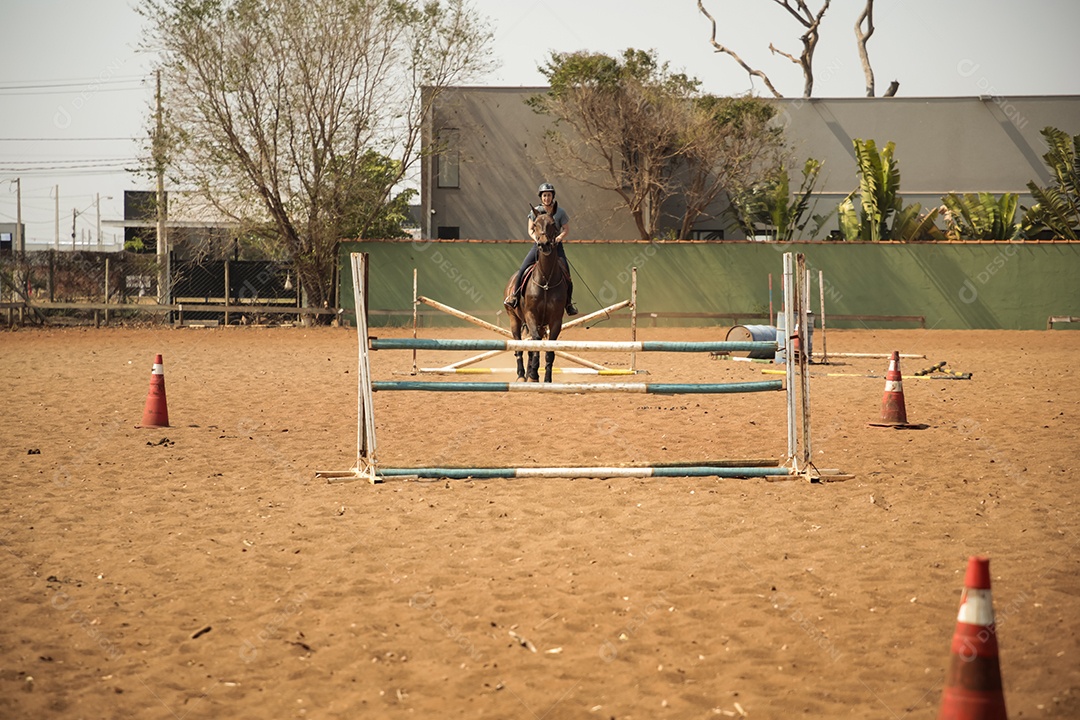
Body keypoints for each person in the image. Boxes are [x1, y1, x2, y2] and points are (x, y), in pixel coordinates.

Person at [504, 182, 578, 316]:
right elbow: (530, 230)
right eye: (544, 195)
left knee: (567, 274)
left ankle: (568, 304)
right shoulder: (534, 212)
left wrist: (559, 237)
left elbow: (566, 229)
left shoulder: (559, 212)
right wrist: (538, 240)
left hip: (556, 247)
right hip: (538, 246)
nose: (546, 198)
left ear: (552, 196)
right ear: (541, 197)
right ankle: (514, 297)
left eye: (549, 195)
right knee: (522, 269)